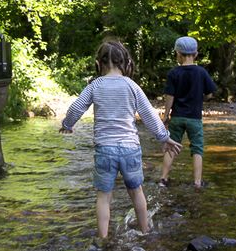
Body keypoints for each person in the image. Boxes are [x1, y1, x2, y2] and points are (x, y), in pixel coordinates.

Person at [59, 40, 182, 239]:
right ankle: (145, 231)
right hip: (130, 149)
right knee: (136, 192)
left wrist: (67, 124)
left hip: (104, 150)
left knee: (103, 196)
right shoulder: (132, 86)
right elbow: (149, 115)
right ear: (125, 62)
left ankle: (103, 238)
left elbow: (76, 108)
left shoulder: (95, 85)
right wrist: (164, 137)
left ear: (99, 64)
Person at [159, 36, 217, 190]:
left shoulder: (173, 73)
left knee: (171, 147)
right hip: (194, 118)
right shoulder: (201, 72)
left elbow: (169, 97)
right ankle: (197, 182)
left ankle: (163, 178)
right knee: (197, 149)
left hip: (177, 117)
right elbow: (210, 94)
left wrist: (166, 116)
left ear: (178, 54)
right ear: (196, 54)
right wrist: (200, 96)